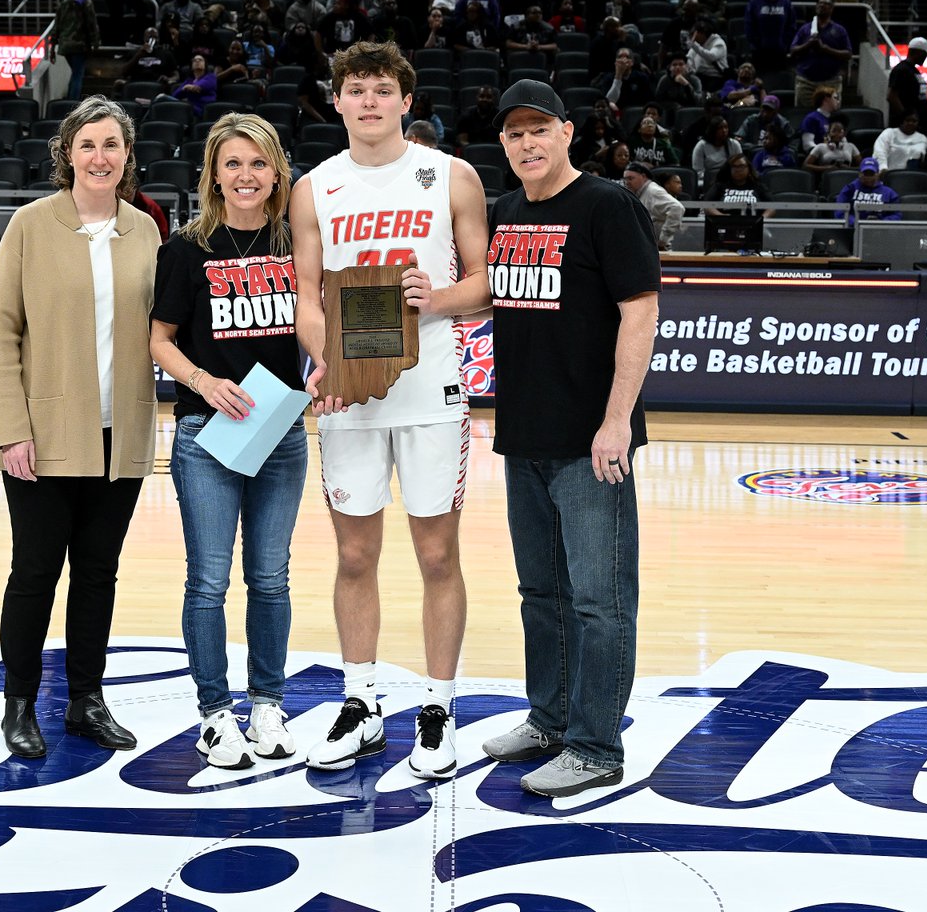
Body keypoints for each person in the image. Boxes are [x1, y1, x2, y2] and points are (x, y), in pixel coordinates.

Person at [445, 78, 660, 797]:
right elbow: (486, 289)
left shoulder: (607, 205)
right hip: (525, 435)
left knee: (601, 600)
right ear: (502, 145)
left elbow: (640, 313)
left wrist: (616, 422)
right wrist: (427, 298)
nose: (528, 143)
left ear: (568, 132)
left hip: (591, 441)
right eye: (514, 133)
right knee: (542, 592)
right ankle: (551, 718)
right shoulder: (504, 213)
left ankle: (597, 746)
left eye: (540, 129)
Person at [291, 40, 490, 780]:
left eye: (383, 89)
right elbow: (307, 298)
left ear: (406, 101)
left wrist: (433, 299)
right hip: (349, 397)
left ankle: (438, 708)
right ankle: (361, 701)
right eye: (356, 89)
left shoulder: (450, 177)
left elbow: (485, 281)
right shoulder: (315, 187)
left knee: (438, 555)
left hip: (431, 390)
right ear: (336, 100)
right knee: (353, 555)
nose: (369, 101)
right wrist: (329, 362)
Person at [0, 96, 160, 759]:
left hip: (121, 436)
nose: (100, 156)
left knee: (98, 573)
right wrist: (12, 431)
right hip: (46, 436)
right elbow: (1, 335)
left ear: (127, 155)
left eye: (112, 144)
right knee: (34, 572)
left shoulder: (144, 229)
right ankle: (20, 703)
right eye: (87, 144)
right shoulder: (30, 226)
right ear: (66, 153)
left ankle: (87, 699)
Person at [149, 113, 305, 770]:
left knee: (270, 579)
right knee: (208, 581)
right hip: (205, 431)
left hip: (282, 430)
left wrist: (327, 369)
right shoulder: (185, 249)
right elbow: (157, 339)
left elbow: (322, 323)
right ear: (214, 172)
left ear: (277, 172)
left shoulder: (299, 242)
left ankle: (267, 704)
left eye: (258, 163)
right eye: (233, 163)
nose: (246, 175)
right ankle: (215, 715)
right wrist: (203, 381)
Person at [789, 0, 852, 109]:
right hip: (806, 81)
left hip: (831, 81)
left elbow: (848, 54)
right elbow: (793, 50)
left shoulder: (839, 30)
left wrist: (825, 49)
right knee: (803, 113)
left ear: (832, 9)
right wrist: (808, 44)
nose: (822, 5)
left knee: (831, 114)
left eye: (826, 4)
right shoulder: (805, 29)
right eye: (820, 3)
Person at [50, 0, 101, 102]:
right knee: (78, 75)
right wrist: (95, 42)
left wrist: (52, 45)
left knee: (75, 74)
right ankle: (73, 103)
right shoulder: (86, 2)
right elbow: (91, 24)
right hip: (80, 44)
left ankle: (70, 100)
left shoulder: (64, 1)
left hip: (65, 44)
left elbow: (57, 24)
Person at [623, 160, 686, 249]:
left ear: (643, 177)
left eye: (630, 178)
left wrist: (663, 240)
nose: (627, 182)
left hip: (660, 249)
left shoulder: (653, 191)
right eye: (625, 179)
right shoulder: (640, 193)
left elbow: (677, 208)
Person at [744, 0, 794, 73]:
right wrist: (756, 43)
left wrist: (785, 43)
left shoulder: (785, 3)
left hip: (780, 50)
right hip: (760, 51)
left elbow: (791, 25)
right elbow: (749, 26)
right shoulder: (754, 3)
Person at [702, 153, 775, 217]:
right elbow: (707, 205)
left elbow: (772, 207)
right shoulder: (720, 186)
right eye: (734, 166)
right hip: (725, 224)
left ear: (748, 168)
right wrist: (721, 217)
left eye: (741, 166)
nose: (738, 170)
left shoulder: (758, 186)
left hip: (753, 225)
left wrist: (761, 220)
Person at [886, 37, 927, 132]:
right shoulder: (901, 70)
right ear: (918, 53)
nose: (926, 57)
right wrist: (908, 119)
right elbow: (892, 96)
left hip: (918, 124)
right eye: (925, 54)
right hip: (907, 128)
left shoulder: (914, 70)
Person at [692, 114, 743, 188]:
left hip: (731, 179)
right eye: (720, 128)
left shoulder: (734, 144)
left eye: (726, 127)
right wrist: (715, 177)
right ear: (713, 130)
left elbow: (740, 166)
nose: (724, 131)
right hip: (708, 180)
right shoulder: (701, 146)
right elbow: (698, 171)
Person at [799, 87, 841, 152]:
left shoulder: (835, 119)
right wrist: (825, 150)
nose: (838, 101)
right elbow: (807, 145)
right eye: (835, 98)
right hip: (819, 156)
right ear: (826, 99)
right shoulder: (811, 118)